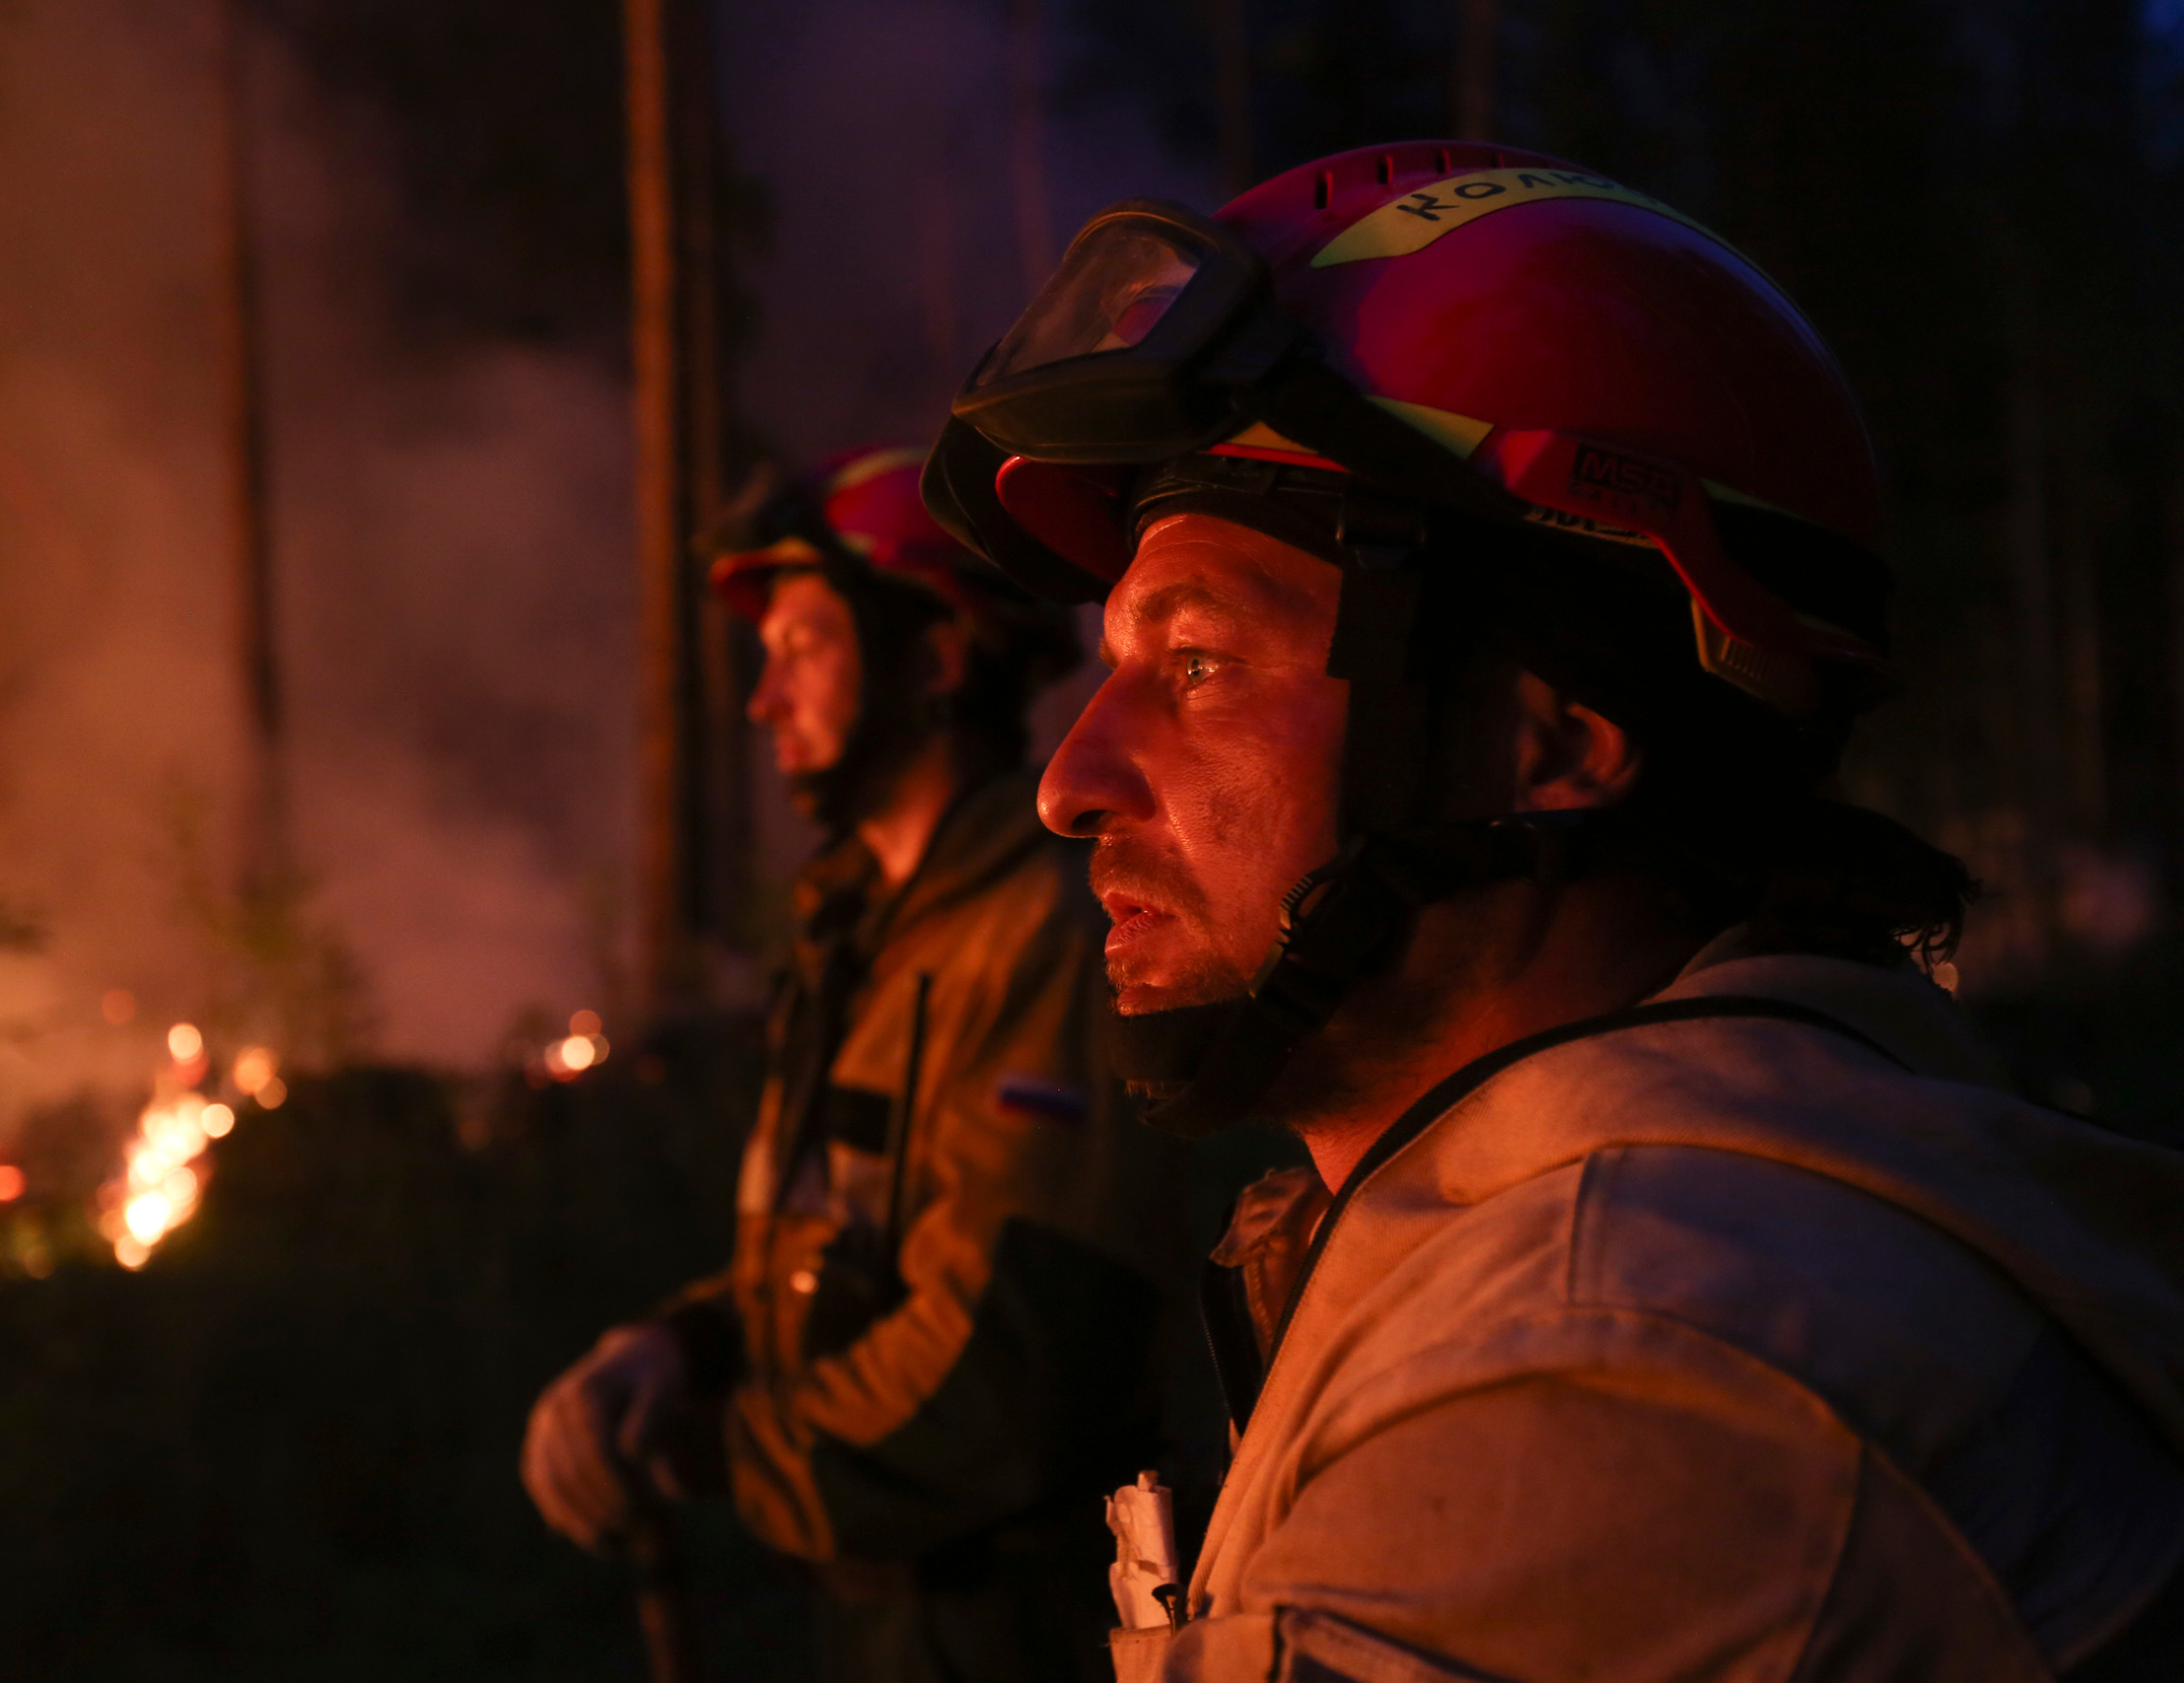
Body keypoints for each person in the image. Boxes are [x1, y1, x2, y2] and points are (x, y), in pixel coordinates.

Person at [923, 141, 2184, 1679]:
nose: (1070, 778)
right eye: (1114, 666)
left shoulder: (1614, 1364)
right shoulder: (1606, 1224)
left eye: (1196, 663)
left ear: (1555, 733)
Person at [523, 446, 1178, 1683]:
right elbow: (846, 1257)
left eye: (803, 648)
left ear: (932, 660)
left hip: (1013, 1630)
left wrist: (716, 1448)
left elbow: (1011, 1366)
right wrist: (682, 1350)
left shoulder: (1038, 937)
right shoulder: (865, 936)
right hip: (886, 1614)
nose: (765, 700)